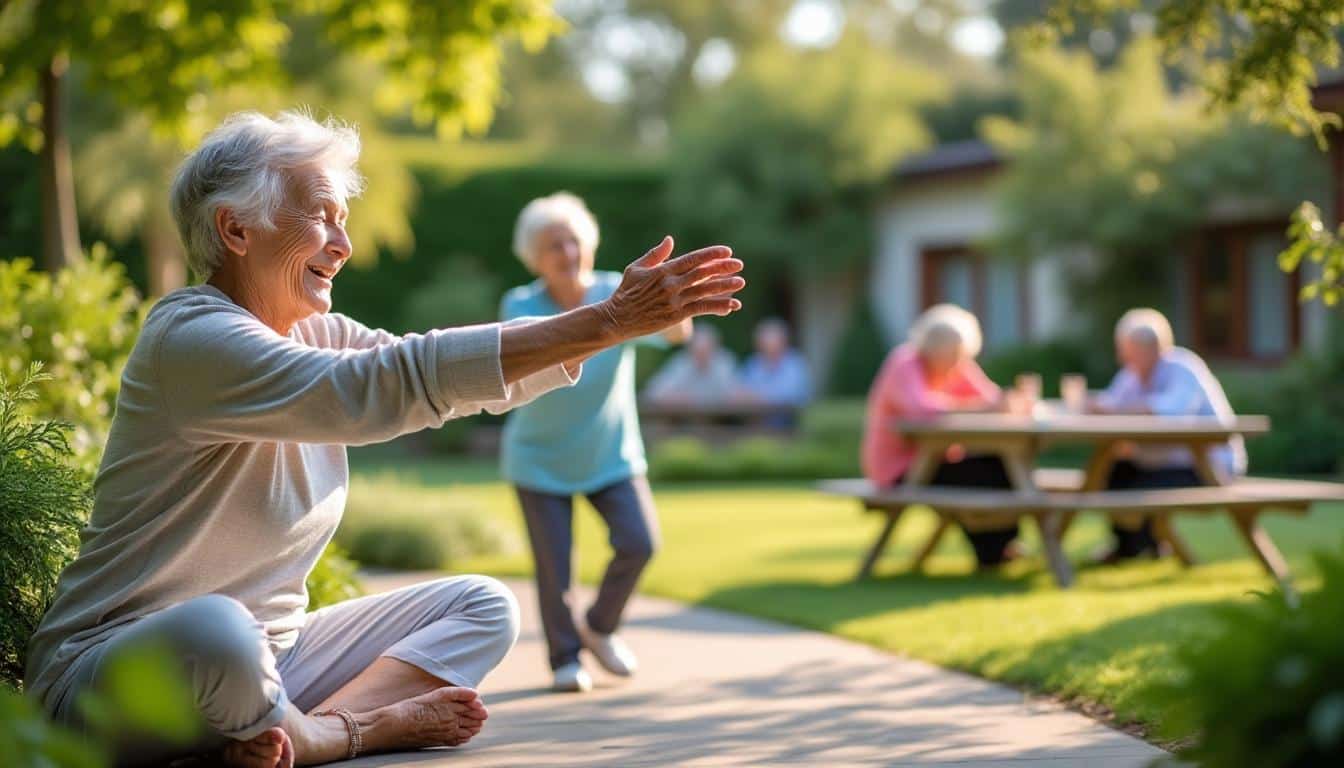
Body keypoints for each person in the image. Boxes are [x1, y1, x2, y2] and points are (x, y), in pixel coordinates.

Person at [23, 113, 745, 768]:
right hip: (111, 678)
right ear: (236, 230)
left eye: (345, 221)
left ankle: (280, 738)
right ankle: (340, 734)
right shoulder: (191, 337)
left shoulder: (314, 334)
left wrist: (607, 326)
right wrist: (606, 320)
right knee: (219, 629)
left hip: (270, 664)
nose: (345, 245)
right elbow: (381, 386)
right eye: (323, 219)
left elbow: (432, 372)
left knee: (482, 605)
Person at [501, 193, 727, 694]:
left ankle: (600, 628)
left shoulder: (617, 292)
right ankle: (565, 658)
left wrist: (672, 300)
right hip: (539, 458)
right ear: (535, 258)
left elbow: (675, 337)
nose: (566, 251)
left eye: (573, 240)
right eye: (552, 245)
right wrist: (615, 319)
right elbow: (534, 355)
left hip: (611, 452)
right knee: (554, 568)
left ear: (589, 245)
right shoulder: (519, 304)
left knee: (640, 542)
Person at [860, 304, 1020, 568]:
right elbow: (922, 409)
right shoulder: (905, 364)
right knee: (981, 476)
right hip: (901, 468)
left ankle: (1000, 546)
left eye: (961, 355)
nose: (958, 362)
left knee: (996, 466)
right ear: (933, 347)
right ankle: (993, 549)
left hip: (938, 460)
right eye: (953, 355)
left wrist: (1005, 403)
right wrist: (978, 408)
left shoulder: (956, 366)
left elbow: (991, 398)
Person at [1089, 308, 1246, 562]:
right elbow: (1109, 403)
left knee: (1135, 487)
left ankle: (1147, 544)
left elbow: (1168, 414)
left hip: (1208, 468)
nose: (1123, 359)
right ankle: (1130, 547)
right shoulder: (1132, 374)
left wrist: (1113, 409)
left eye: (1129, 352)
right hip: (1163, 463)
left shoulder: (1183, 368)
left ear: (1153, 348)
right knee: (1113, 471)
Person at [643, 323, 739, 407]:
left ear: (714, 348)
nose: (701, 356)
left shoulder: (724, 362)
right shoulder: (681, 363)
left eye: (705, 350)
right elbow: (654, 393)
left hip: (721, 421)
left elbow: (738, 395)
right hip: (684, 421)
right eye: (697, 351)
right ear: (690, 349)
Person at [737, 318, 812, 410]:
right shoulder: (753, 363)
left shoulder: (795, 363)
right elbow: (741, 389)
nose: (767, 349)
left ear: (783, 343)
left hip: (789, 417)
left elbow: (792, 395)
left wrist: (758, 396)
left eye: (771, 344)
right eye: (763, 344)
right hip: (755, 416)